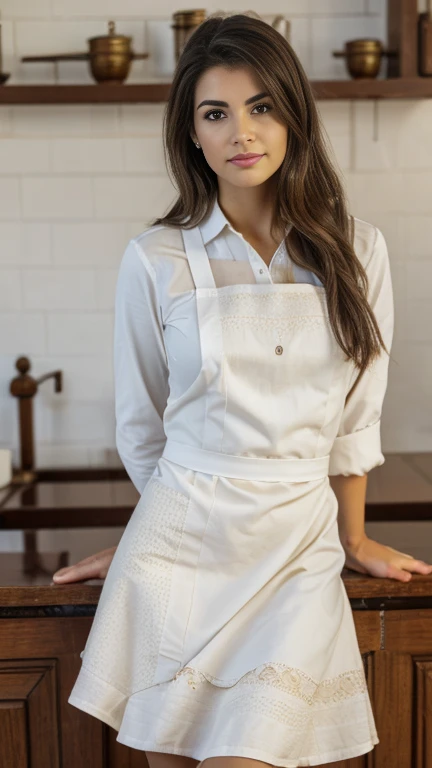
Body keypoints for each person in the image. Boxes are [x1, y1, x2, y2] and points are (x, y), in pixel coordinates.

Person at [53, 11, 432, 768]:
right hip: (179, 551)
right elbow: (142, 426)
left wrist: (351, 537)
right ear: (192, 133)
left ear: (293, 114)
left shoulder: (358, 250)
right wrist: (146, 531)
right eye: (215, 113)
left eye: (261, 106)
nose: (241, 132)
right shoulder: (155, 259)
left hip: (296, 549)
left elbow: (360, 413)